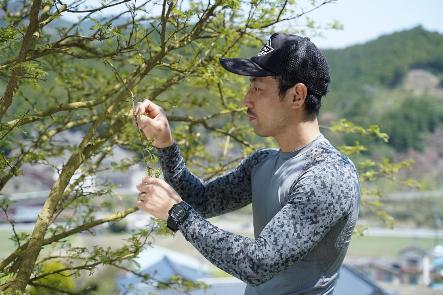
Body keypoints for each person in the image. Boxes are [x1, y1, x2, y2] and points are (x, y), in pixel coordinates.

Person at [134, 33, 361, 295]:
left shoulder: (329, 175)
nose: (246, 99)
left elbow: (258, 263)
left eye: (258, 89)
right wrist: (165, 143)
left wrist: (178, 213)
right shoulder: (262, 163)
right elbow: (201, 200)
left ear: (297, 96)